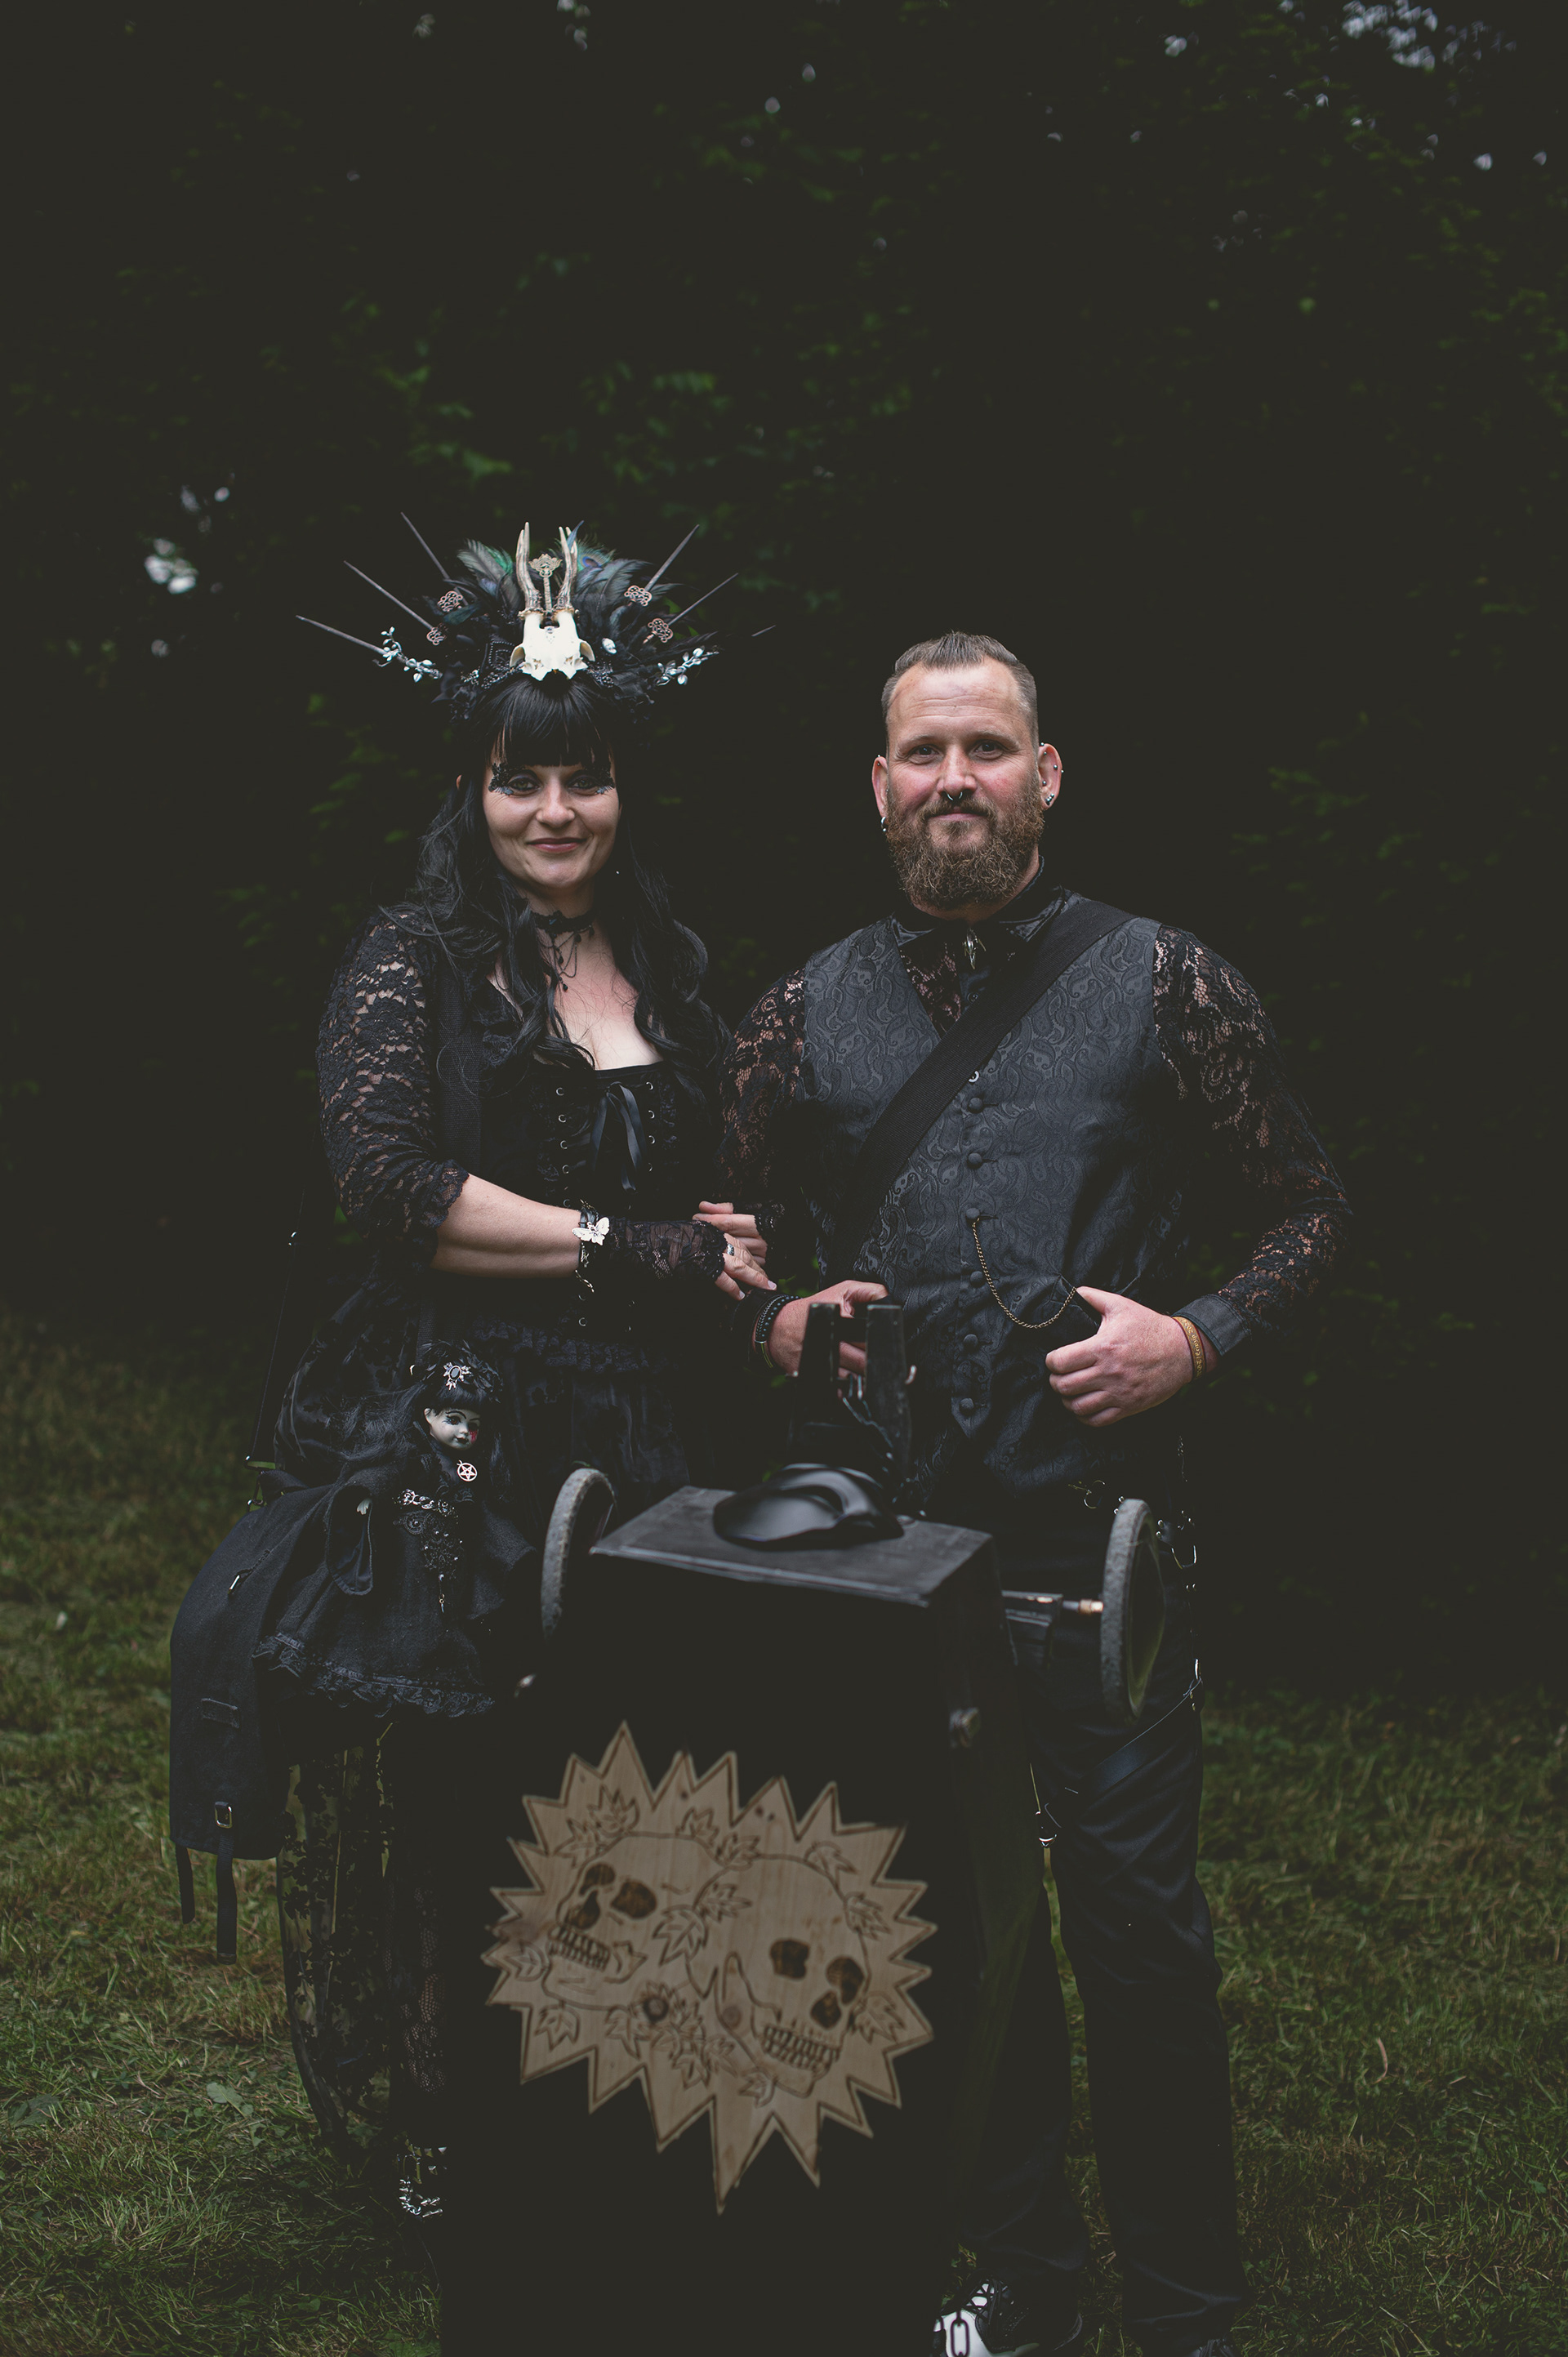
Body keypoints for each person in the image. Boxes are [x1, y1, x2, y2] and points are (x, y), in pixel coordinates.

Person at [716, 631, 1353, 2357]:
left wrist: (1194, 1339)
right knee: (947, 1923)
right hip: (895, 1553)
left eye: (987, 748)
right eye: (924, 753)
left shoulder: (1166, 983)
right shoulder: (799, 1011)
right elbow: (724, 1238)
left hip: (1105, 1543)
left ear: (1046, 776)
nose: (956, 781)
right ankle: (1022, 2281)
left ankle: (1189, 2310)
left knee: (1139, 1934)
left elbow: (1310, 1208)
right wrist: (770, 1317)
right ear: (878, 786)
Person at [267, 517, 772, 2257]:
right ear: (471, 789)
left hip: (643, 1439)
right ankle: (449, 2132)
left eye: (585, 777)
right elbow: (390, 1192)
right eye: (519, 780)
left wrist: (751, 1283)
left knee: (633, 1780)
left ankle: (611, 2107)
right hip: (467, 1434)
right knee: (464, 1793)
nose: (555, 811)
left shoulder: (673, 976)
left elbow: (709, 1215)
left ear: (625, 785)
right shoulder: (412, 963)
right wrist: (624, 1244)